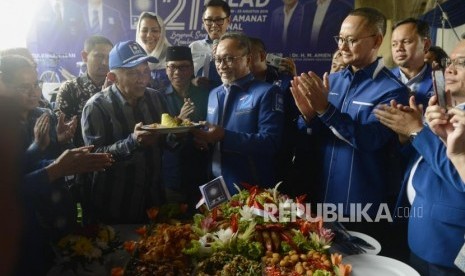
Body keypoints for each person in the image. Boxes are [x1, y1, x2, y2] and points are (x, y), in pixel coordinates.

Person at [291, 7, 408, 234]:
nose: (342, 47)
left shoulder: (393, 91)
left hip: (362, 206)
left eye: (351, 40)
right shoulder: (332, 81)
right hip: (321, 198)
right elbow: (315, 135)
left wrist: (325, 109)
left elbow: (370, 140)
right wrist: (308, 117)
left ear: (376, 40)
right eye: (340, 39)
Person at [374, 40, 465, 275]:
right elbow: (426, 163)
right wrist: (408, 138)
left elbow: (458, 173)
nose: (450, 70)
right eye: (450, 62)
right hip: (421, 232)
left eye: (462, 63)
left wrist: (417, 131)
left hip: (448, 244)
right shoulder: (445, 109)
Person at [81, 40, 168, 224]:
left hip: (153, 202)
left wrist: (179, 136)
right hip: (115, 205)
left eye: (145, 71)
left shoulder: (156, 98)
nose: (142, 79)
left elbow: (165, 142)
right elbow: (93, 158)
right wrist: (132, 142)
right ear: (112, 77)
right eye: (133, 73)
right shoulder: (96, 107)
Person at [191, 32, 284, 194]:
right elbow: (211, 136)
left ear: (247, 59)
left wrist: (224, 136)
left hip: (251, 190)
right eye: (218, 60)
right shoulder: (214, 94)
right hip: (214, 188)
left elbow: (271, 142)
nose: (222, 65)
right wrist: (204, 142)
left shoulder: (267, 92)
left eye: (229, 58)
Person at [158, 46, 209, 207]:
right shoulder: (157, 97)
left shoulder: (205, 95)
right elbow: (157, 139)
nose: (177, 72)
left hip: (202, 171)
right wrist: (179, 120)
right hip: (172, 173)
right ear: (166, 69)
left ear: (192, 68)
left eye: (183, 67)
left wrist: (207, 140)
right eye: (172, 67)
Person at [55, 35, 113, 148]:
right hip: (83, 157)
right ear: (84, 56)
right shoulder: (69, 89)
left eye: (109, 57)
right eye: (99, 56)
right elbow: (63, 135)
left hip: (117, 153)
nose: (105, 62)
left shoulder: (119, 86)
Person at [27, 0, 88, 77]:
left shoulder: (76, 8)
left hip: (71, 63)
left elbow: (82, 37)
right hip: (47, 63)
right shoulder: (38, 7)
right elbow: (33, 39)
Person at [390, 18, 433, 108]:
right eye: (394, 44)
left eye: (406, 42)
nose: (398, 48)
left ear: (426, 45)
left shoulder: (442, 81)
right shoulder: (383, 79)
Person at [189, 0, 231, 75]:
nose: (214, 25)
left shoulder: (236, 47)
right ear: (203, 21)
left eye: (218, 20)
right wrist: (192, 82)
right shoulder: (193, 47)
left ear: (228, 20)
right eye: (209, 20)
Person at [135, 12, 171, 90]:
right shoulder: (133, 58)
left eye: (154, 31)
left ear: (162, 32)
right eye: (144, 30)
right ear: (139, 32)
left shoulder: (172, 55)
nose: (149, 35)